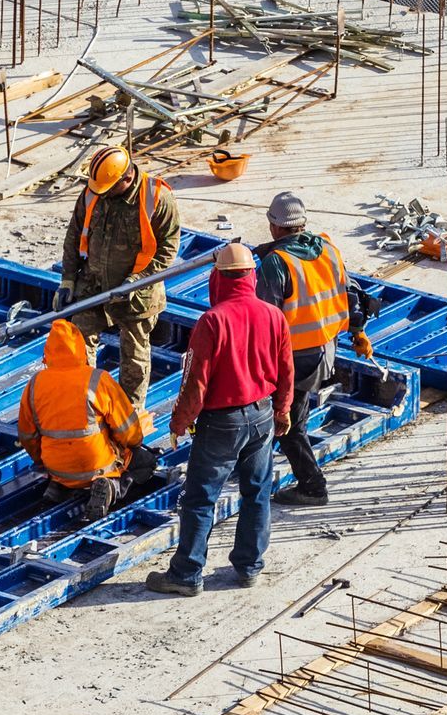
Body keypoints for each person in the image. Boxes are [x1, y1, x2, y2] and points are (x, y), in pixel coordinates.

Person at [146, 242, 292, 596]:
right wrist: (283, 409)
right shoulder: (274, 315)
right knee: (256, 493)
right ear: (251, 277)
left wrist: (179, 422)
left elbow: (195, 380)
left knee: (200, 498)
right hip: (261, 417)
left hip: (221, 423)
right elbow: (286, 370)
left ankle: (186, 574)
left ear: (219, 278)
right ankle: (249, 566)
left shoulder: (212, 321)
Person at [256, 191, 374, 508]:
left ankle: (312, 487)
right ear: (302, 223)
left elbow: (264, 320)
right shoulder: (328, 249)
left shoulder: (275, 264)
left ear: (274, 226)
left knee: (287, 422)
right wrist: (359, 332)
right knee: (292, 417)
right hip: (326, 350)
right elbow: (353, 295)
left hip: (294, 358)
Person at [60, 145, 182, 416]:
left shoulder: (157, 198)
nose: (101, 195)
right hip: (93, 285)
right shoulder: (95, 191)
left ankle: (129, 413)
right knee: (79, 342)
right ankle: (85, 405)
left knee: (134, 354)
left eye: (108, 189)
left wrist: (137, 280)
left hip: (137, 292)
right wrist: (68, 279)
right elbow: (74, 235)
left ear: (126, 179)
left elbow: (168, 249)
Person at [17, 320, 156, 519]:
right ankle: (111, 486)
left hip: (56, 468)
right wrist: (134, 446)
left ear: (47, 352)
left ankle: (58, 488)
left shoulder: (34, 384)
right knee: (145, 463)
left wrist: (43, 460)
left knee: (64, 464)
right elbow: (128, 431)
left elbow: (27, 436)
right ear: (82, 350)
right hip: (96, 465)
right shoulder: (97, 379)